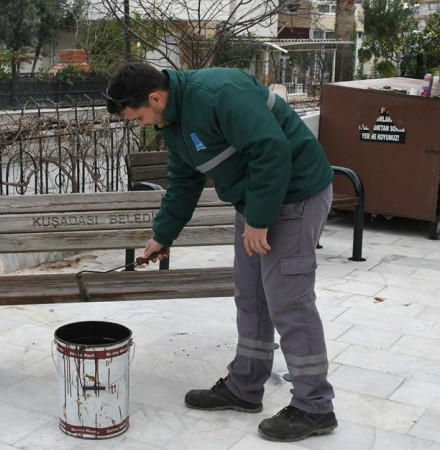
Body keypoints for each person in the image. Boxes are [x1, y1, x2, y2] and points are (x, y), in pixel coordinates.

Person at [105, 62, 337, 442]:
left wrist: (259, 220)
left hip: (296, 196)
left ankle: (315, 406)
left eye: (139, 116)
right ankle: (244, 387)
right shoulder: (173, 121)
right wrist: (163, 235)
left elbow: (272, 149)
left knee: (290, 304)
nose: (140, 124)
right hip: (256, 202)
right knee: (251, 297)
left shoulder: (219, 94)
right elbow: (183, 181)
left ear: (155, 97)